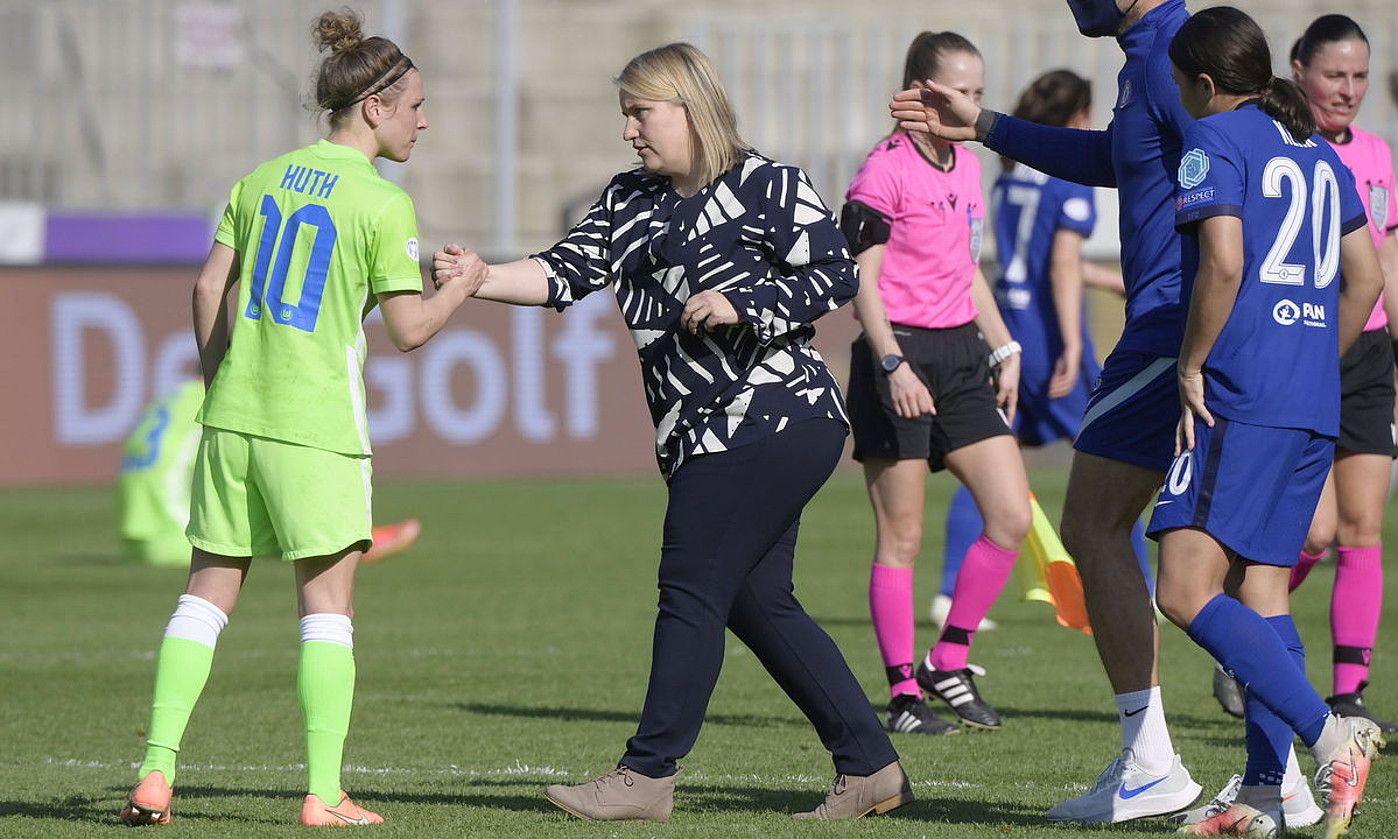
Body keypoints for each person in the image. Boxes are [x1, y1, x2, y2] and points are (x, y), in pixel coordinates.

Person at [434, 42, 908, 823]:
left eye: (640, 111)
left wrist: (743, 299)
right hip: (699, 433)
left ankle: (647, 772)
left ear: (688, 107)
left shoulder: (767, 184)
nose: (629, 130)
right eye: (625, 113)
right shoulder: (628, 199)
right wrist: (482, 277)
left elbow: (835, 274)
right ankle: (870, 766)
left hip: (772, 415)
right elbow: (562, 272)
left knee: (689, 585)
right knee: (758, 602)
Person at [118, 9, 486, 827]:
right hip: (315, 429)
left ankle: (153, 773)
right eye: (417, 104)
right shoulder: (382, 204)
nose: (425, 120)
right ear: (377, 106)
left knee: (204, 597)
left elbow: (209, 288)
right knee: (327, 611)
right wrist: (463, 283)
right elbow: (410, 330)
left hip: (233, 420)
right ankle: (323, 793)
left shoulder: (263, 176)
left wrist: (223, 382)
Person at [889, 0, 1208, 822]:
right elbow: (1117, 157)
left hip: (1175, 324)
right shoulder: (1148, 54)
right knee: (1214, 548)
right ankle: (1275, 760)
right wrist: (987, 124)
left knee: (1103, 529)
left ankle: (1185, 753)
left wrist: (1216, 316)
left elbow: (1230, 167)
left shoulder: (1175, 49)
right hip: (1180, 320)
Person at [1147, 8, 1386, 835]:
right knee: (1263, 591)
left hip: (1239, 397)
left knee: (1182, 589)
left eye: (1182, 86)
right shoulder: (1321, 152)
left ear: (1206, 85)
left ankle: (1331, 736)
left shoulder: (1218, 142)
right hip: (1312, 402)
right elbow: (1367, 277)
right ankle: (1261, 790)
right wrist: (1315, 355)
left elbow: (1223, 259)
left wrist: (1191, 363)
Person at [842, 31, 1029, 737]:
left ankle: (949, 659)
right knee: (905, 537)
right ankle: (902, 694)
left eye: (978, 94)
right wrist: (892, 364)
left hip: (963, 355)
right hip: (901, 353)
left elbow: (966, 268)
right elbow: (860, 283)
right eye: (960, 92)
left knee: (1010, 515)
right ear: (920, 93)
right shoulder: (881, 171)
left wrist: (1003, 343)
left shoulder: (967, 166)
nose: (971, 106)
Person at [938, 69, 1153, 630]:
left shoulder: (1012, 176)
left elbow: (1036, 259)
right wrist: (1072, 347)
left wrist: (1105, 281)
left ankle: (946, 590)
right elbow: (1058, 263)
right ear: (1077, 117)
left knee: (991, 455)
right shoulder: (1069, 179)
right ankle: (1142, 590)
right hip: (1047, 337)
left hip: (1006, 332)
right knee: (1116, 459)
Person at [1285, 14, 1398, 734]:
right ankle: (1241, 636)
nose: (1348, 90)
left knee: (1363, 526)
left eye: (1359, 76)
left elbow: (1385, 259)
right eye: (1335, 74)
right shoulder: (1284, 149)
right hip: (1303, 348)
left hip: (1370, 352)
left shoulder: (1381, 154)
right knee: (1316, 529)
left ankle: (1348, 694)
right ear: (1299, 69)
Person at [119, 380, 422, 568]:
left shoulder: (178, 395)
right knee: (278, 512)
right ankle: (351, 543)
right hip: (173, 539)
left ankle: (348, 540)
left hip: (135, 540)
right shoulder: (225, 403)